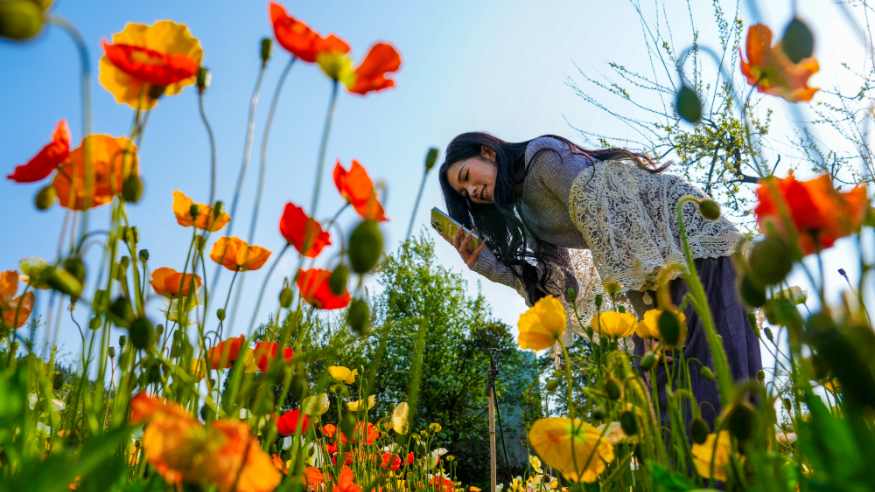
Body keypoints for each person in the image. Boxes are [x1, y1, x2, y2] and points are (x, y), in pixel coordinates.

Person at [438, 132, 762, 430]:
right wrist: (490, 266)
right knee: (663, 394)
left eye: (466, 177)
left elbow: (615, 220)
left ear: (487, 153)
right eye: (465, 194)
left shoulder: (542, 157)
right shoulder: (528, 212)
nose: (472, 192)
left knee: (707, 388)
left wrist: (648, 320)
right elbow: (562, 289)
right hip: (656, 269)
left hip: (690, 244)